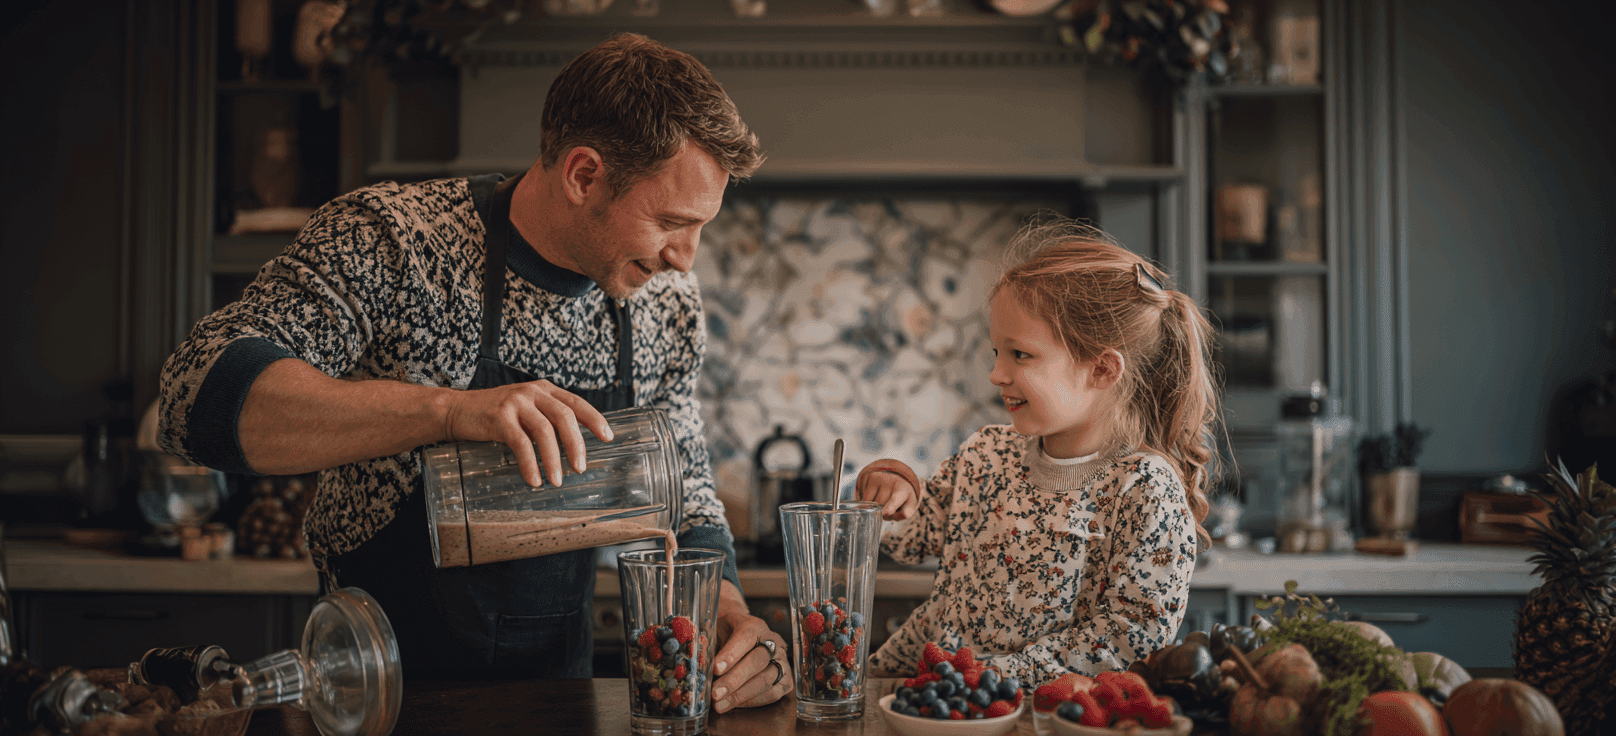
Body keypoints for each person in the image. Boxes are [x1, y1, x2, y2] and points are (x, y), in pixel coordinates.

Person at [157, 33, 789, 710]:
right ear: (583, 175)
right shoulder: (395, 241)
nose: (686, 259)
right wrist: (451, 412)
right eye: (670, 221)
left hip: (561, 702)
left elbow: (684, 488)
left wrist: (728, 616)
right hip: (373, 697)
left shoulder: (664, 301)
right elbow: (196, 397)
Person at [855, 218, 1218, 685]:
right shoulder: (987, 453)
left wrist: (991, 679)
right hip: (931, 686)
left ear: (1103, 370)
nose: (996, 374)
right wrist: (894, 488)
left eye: (1019, 355)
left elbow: (1131, 637)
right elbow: (914, 536)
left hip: (1029, 709)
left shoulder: (1143, 489)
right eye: (995, 353)